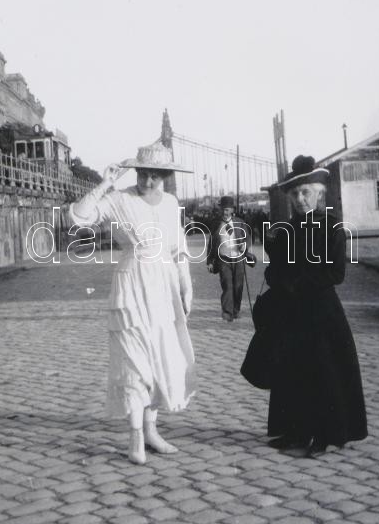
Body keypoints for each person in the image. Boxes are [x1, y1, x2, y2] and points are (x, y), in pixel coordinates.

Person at [69, 139, 196, 465]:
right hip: (132, 286)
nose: (148, 181)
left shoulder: (171, 202)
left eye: (155, 175)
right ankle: (135, 436)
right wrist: (105, 183)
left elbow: (178, 248)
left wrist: (186, 284)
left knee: (161, 359)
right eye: (143, 174)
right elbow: (80, 217)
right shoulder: (119, 199)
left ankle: (152, 431)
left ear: (164, 176)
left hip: (164, 288)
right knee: (134, 362)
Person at [241, 155, 368, 457]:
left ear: (319, 193)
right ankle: (295, 431)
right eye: (295, 193)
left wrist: (295, 283)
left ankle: (326, 435)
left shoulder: (332, 228)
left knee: (322, 370)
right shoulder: (286, 229)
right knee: (291, 369)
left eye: (305, 192)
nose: (299, 199)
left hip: (321, 313)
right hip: (290, 312)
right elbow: (275, 270)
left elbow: (335, 273)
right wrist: (274, 266)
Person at [206, 195, 256, 322]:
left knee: (238, 285)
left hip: (238, 259)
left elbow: (248, 238)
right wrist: (210, 261)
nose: (224, 212)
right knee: (227, 285)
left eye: (227, 209)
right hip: (223, 258)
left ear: (232, 210)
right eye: (222, 209)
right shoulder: (216, 224)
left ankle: (236, 310)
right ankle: (227, 312)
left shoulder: (240, 222)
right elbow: (211, 243)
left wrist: (244, 245)